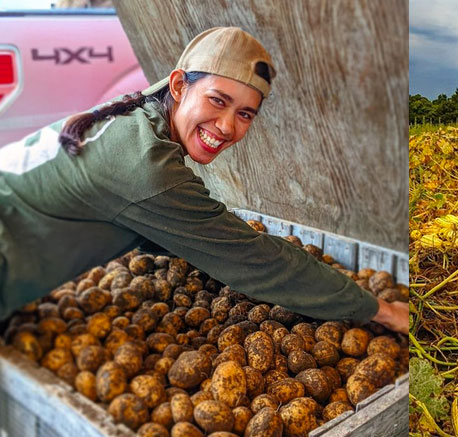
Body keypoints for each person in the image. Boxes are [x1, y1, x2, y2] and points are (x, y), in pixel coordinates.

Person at [0, 27, 408, 334]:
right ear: (179, 85)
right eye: (217, 100)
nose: (228, 126)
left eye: (246, 114)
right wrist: (380, 310)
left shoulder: (135, 120)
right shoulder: (146, 169)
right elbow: (254, 260)